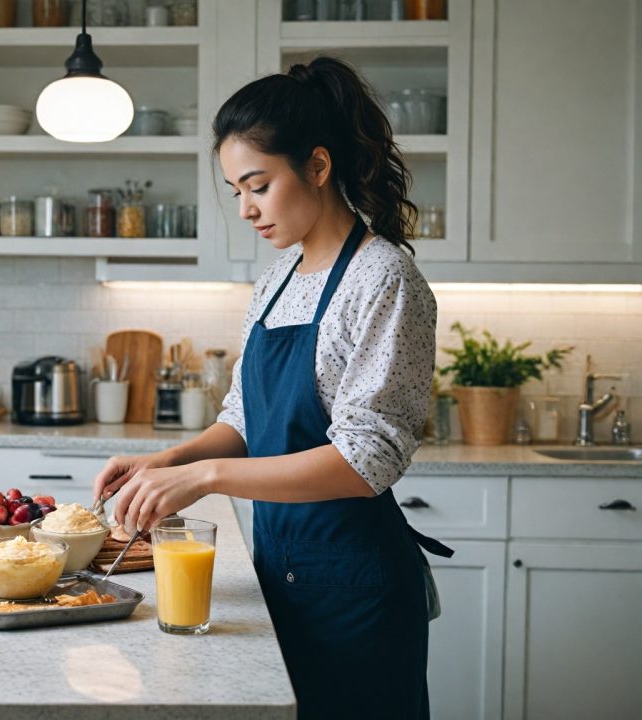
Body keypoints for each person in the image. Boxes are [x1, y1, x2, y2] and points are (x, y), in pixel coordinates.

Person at [92, 56, 453, 719]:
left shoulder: (382, 278)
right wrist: (168, 462)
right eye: (235, 191)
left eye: (258, 184)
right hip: (280, 575)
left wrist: (205, 480)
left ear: (318, 167)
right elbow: (246, 417)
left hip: (354, 591)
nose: (247, 209)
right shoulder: (277, 279)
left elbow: (363, 461)